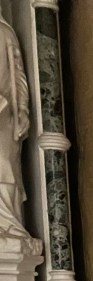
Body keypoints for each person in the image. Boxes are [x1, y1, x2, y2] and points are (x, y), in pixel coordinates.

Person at [0, 17, 30, 240]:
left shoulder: (5, 33)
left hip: (5, 117)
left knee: (5, 165)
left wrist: (22, 109)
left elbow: (17, 75)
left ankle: (8, 225)